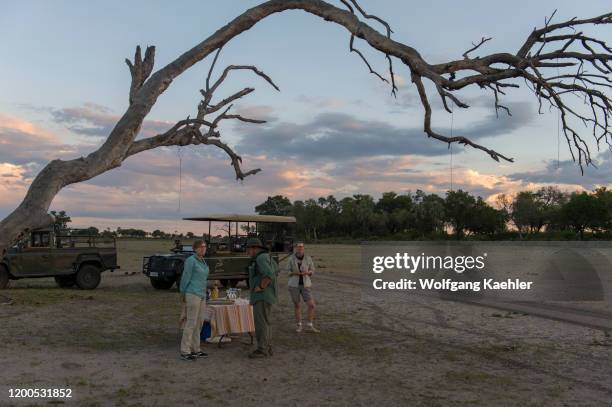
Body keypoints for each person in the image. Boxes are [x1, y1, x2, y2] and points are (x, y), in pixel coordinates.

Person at [246, 238, 278, 358]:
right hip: (266, 296)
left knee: (261, 323)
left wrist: (261, 286)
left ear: (254, 248)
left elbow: (269, 274)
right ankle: (267, 346)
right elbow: (276, 270)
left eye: (248, 249)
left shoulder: (260, 258)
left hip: (262, 296)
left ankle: (262, 349)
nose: (247, 252)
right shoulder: (266, 256)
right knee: (265, 322)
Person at [178, 240, 209, 361]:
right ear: (195, 248)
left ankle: (196, 349)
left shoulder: (203, 261)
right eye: (200, 247)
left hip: (202, 294)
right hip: (192, 293)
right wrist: (183, 293)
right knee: (191, 322)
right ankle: (185, 350)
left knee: (199, 322)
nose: (203, 249)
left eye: (204, 247)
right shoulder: (191, 261)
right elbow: (186, 277)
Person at [286, 242, 319, 333]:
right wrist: (294, 273)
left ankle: (310, 325)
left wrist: (308, 273)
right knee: (297, 305)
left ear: (304, 248)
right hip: (294, 285)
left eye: (301, 247)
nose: (300, 249)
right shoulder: (291, 259)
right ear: (296, 249)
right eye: (298, 247)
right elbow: (287, 271)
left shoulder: (308, 258)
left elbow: (312, 269)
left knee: (312, 305)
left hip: (306, 284)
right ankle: (299, 325)